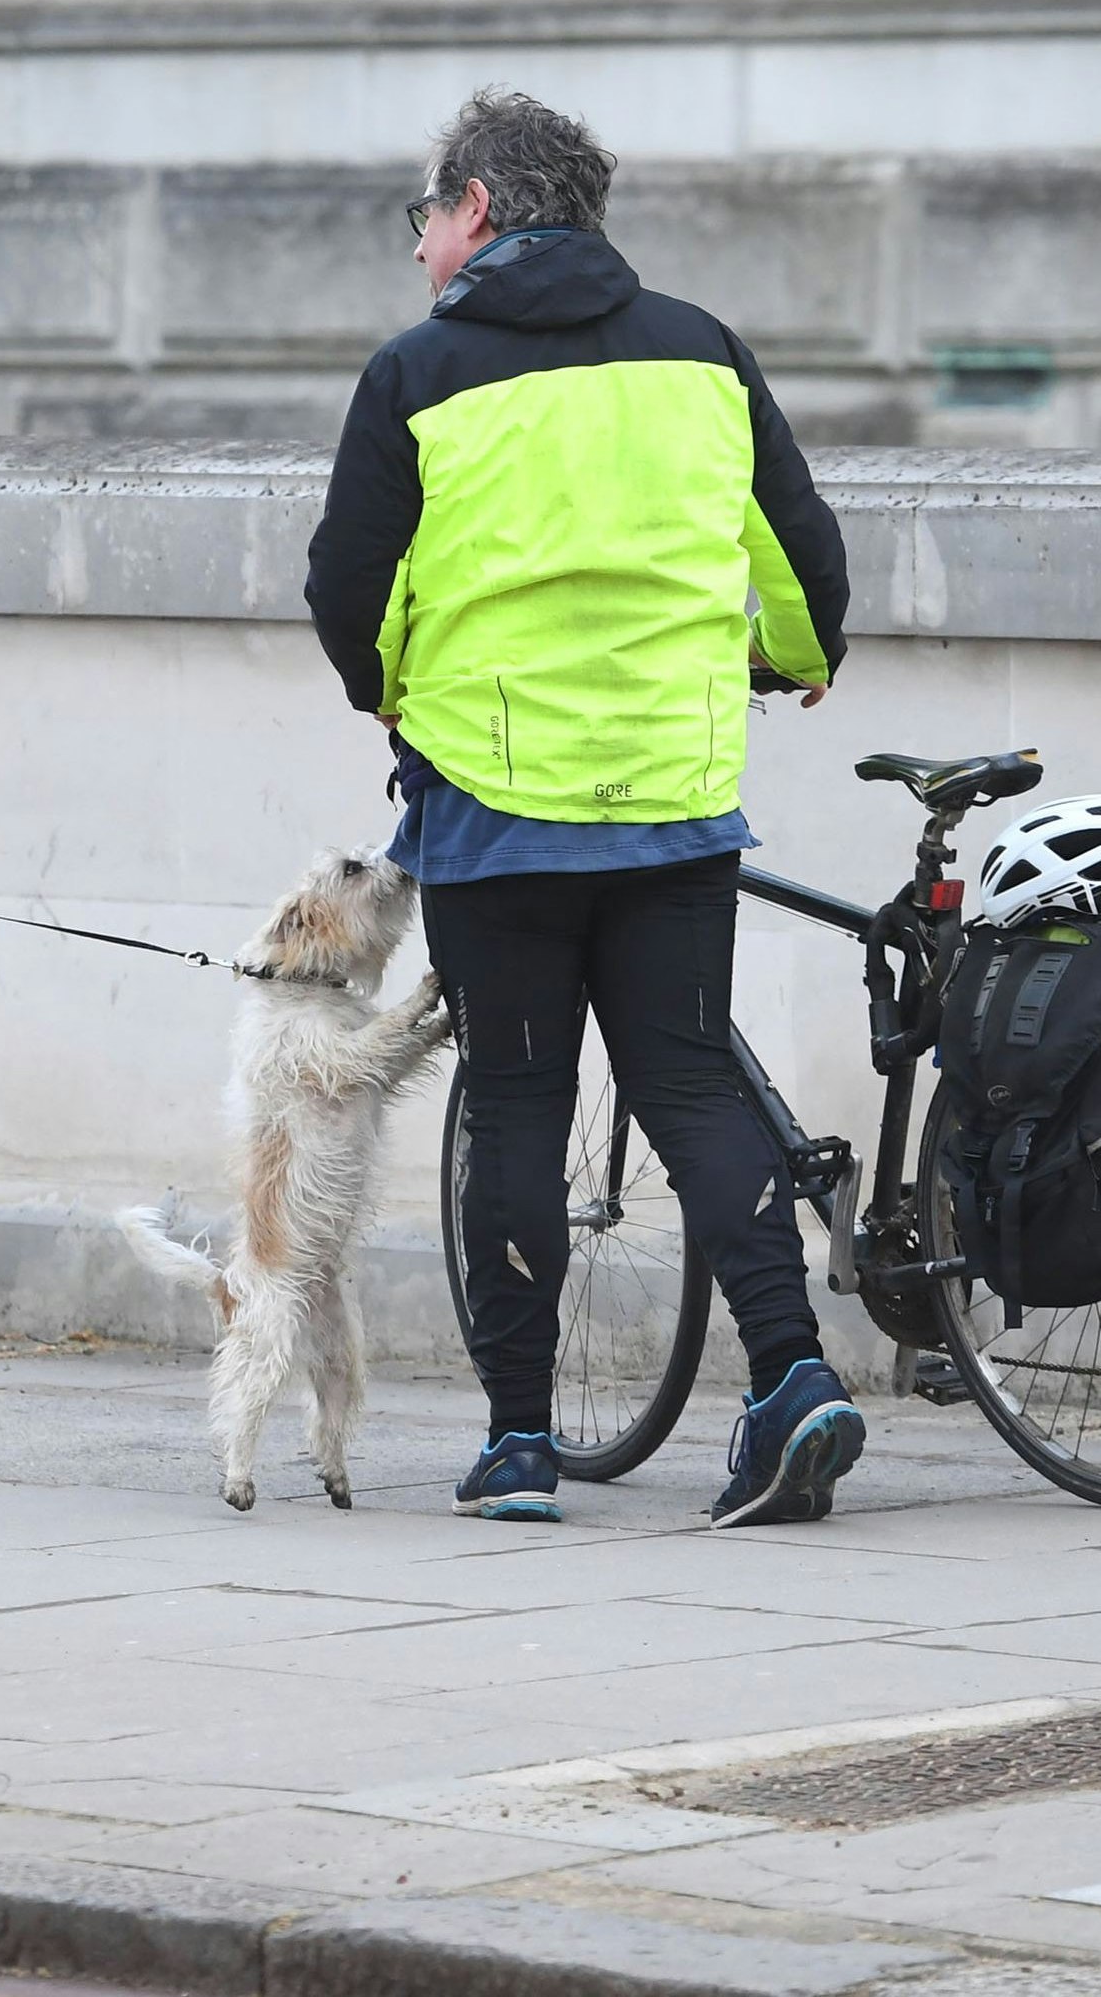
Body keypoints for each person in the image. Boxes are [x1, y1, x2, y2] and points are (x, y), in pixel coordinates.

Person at [304, 91, 862, 1529]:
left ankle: (519, 1443)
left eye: (426, 215)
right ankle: (794, 1373)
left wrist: (386, 688)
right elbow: (798, 550)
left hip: (497, 805)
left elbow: (349, 585)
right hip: (672, 793)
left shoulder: (418, 372)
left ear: (478, 209)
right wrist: (798, 657)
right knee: (691, 1085)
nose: (419, 245)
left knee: (515, 1103)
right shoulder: (703, 349)